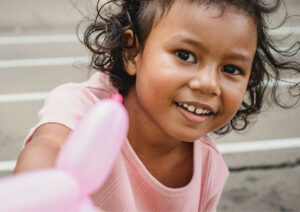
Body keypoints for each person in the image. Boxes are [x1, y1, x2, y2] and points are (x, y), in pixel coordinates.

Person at [14, 0, 300, 211]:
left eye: (231, 68)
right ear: (133, 52)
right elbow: (46, 148)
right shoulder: (85, 107)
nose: (208, 84)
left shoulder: (209, 169)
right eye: (185, 55)